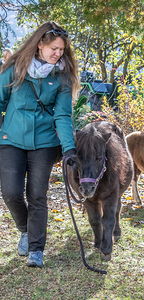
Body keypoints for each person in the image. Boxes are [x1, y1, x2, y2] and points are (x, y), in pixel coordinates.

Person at [0, 21, 79, 267]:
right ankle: (25, 229)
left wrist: (69, 148)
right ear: (39, 46)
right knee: (11, 193)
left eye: (62, 50)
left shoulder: (63, 77)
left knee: (37, 196)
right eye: (54, 48)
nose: (58, 54)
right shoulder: (15, 68)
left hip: (44, 143)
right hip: (11, 140)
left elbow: (62, 116)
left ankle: (36, 249)